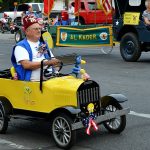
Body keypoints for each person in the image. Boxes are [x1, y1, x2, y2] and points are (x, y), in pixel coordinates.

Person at [11, 15, 60, 81]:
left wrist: (57, 64)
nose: (39, 31)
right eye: (36, 29)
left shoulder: (43, 44)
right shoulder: (21, 46)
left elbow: (53, 61)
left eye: (40, 28)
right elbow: (27, 65)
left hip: (49, 79)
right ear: (27, 32)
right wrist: (47, 63)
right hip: (32, 84)